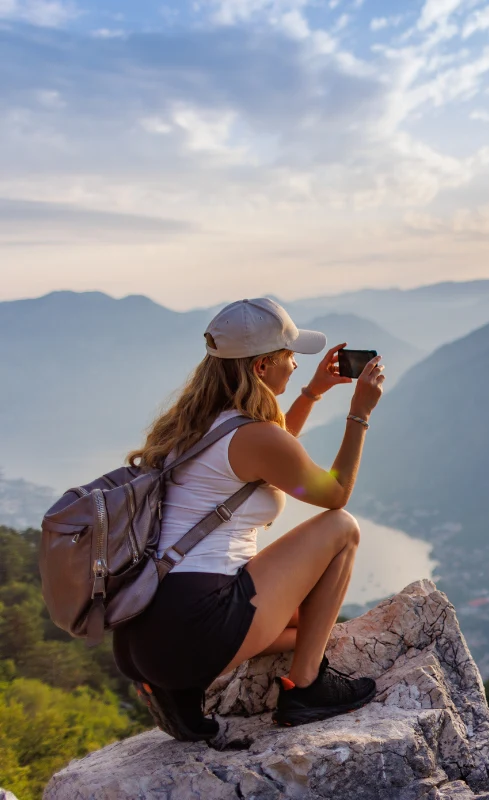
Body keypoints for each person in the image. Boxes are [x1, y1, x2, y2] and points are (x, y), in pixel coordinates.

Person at [112, 297, 387, 741]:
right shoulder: (253, 435)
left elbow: (270, 456)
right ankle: (308, 687)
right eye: (289, 354)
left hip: (146, 629)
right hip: (197, 622)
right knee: (342, 528)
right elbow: (334, 494)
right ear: (262, 366)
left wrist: (312, 393)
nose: (295, 363)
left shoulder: (192, 423)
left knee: (307, 623)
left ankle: (177, 691)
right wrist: (360, 413)